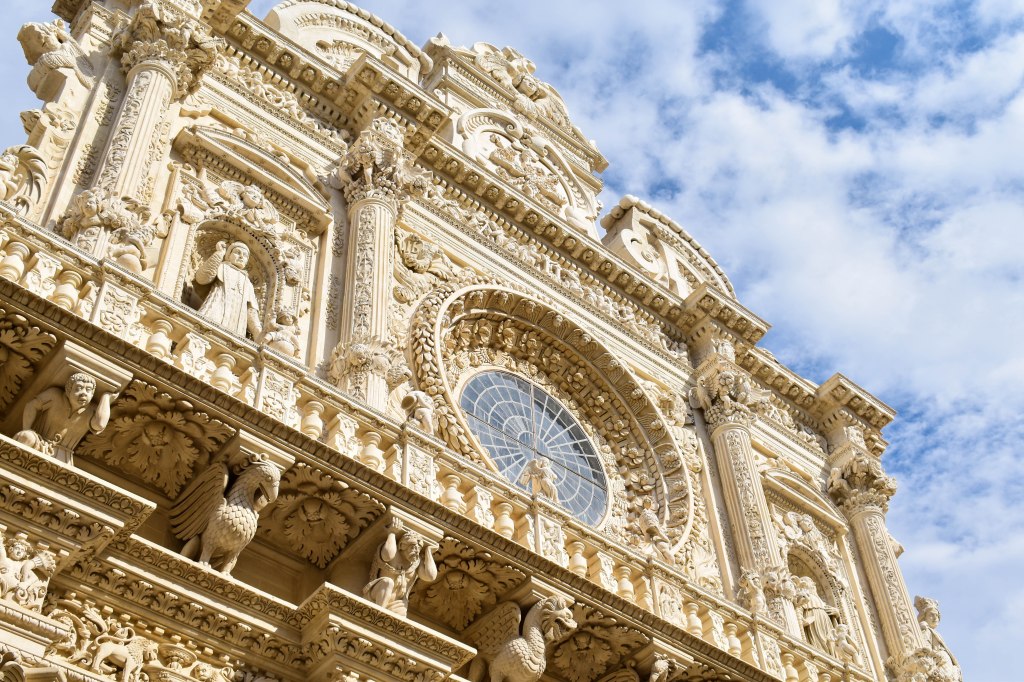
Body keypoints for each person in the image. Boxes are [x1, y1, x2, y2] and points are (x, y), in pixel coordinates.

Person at [15, 372, 113, 463]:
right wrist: (27, 430)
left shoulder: (92, 410)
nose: (84, 393)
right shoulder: (54, 395)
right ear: (68, 390)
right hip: (39, 443)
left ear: (92, 394)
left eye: (88, 390)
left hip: (63, 458)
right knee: (26, 436)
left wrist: (106, 396)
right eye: (79, 388)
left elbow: (100, 425)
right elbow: (31, 405)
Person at [363, 519, 437, 616]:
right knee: (387, 582)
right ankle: (378, 615)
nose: (416, 551)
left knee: (399, 615)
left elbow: (430, 576)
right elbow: (387, 555)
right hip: (376, 596)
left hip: (396, 604)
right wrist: (392, 533)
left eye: (419, 548)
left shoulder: (416, 562)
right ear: (402, 545)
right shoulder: (393, 553)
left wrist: (428, 551)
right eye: (413, 547)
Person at [194, 240, 261, 338]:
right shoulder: (222, 267)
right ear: (229, 256)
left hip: (237, 323)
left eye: (245, 255)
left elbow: (251, 309)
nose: (241, 256)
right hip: (216, 310)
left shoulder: (248, 283)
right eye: (237, 252)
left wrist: (257, 331)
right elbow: (202, 279)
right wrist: (219, 254)